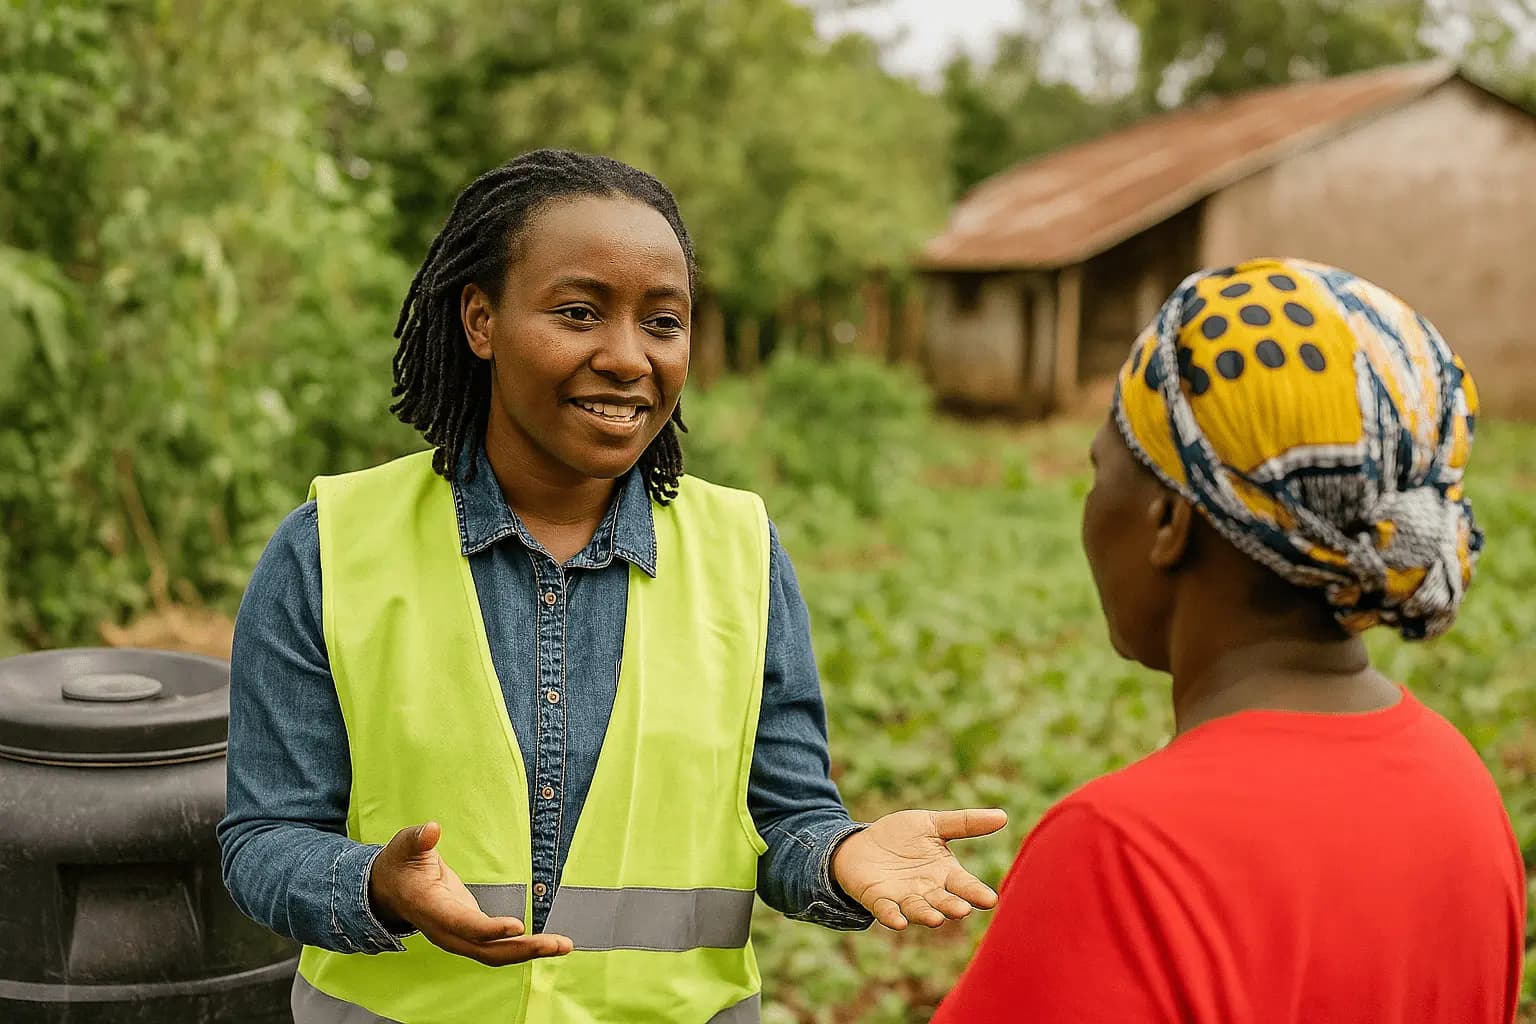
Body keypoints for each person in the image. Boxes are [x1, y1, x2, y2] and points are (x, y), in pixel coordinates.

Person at [216, 149, 1007, 1024]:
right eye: (579, 312)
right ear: (481, 319)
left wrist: (838, 854)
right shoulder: (330, 548)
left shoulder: (741, 551)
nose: (628, 358)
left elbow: (785, 816)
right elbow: (264, 840)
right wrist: (375, 884)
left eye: (662, 322)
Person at [933, 258, 1526, 1023]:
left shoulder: (1124, 854)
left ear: (1169, 522)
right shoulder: (1464, 793)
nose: (1090, 505)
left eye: (1100, 472)